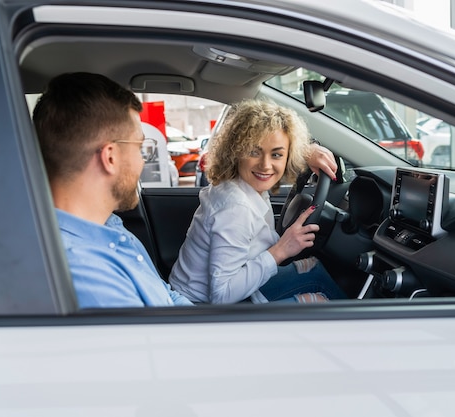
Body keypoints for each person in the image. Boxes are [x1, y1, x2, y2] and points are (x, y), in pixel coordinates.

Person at [33, 72, 193, 308]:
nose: (142, 162)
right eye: (139, 148)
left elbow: (169, 297)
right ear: (110, 157)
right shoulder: (84, 271)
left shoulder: (110, 226)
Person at [169, 99, 348, 304]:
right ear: (236, 151)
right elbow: (221, 296)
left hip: (224, 291)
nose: (265, 165)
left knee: (313, 268)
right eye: (254, 152)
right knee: (318, 301)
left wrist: (306, 151)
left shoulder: (240, 183)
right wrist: (281, 250)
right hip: (205, 310)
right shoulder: (235, 208)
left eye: (277, 154)